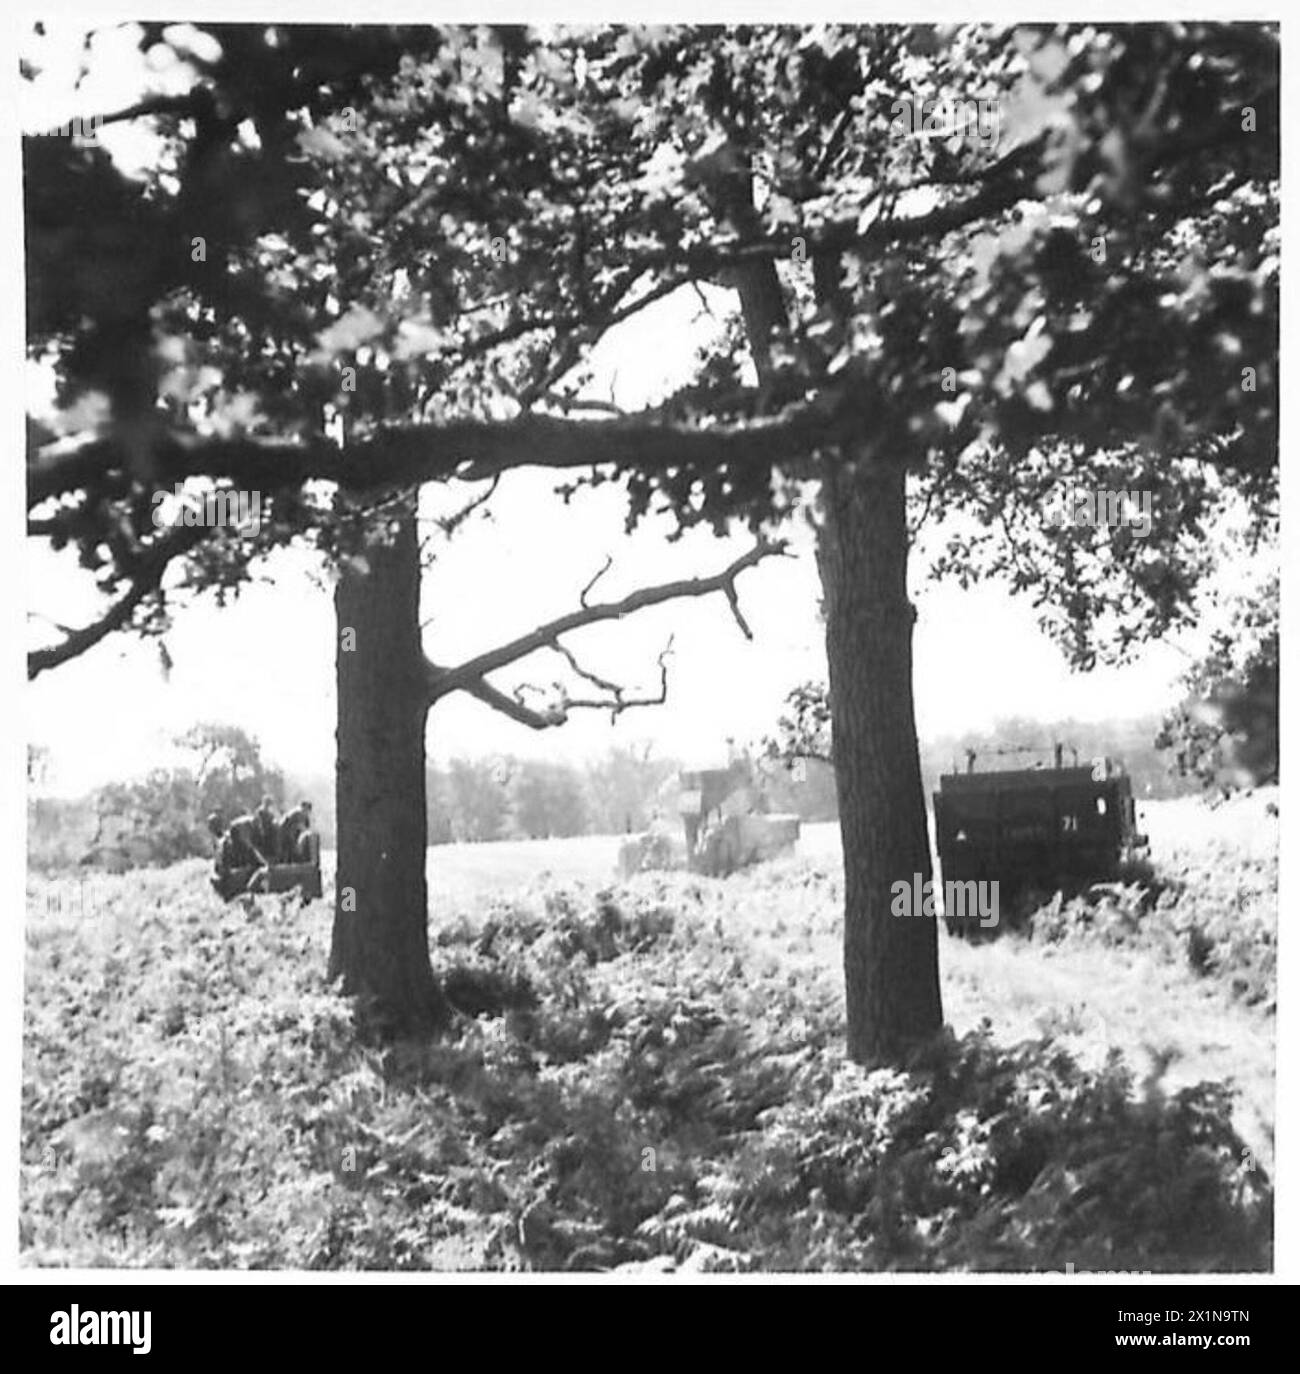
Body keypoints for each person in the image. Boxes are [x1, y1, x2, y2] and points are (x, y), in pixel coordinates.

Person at [208, 810, 270, 898]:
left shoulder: (224, 841)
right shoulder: (223, 841)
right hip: (238, 869)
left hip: (240, 868)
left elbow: (222, 865)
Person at [252, 795, 280, 862]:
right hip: (262, 832)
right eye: (268, 803)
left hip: (269, 831)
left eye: (270, 804)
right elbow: (257, 822)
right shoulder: (260, 811)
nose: (269, 805)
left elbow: (274, 820)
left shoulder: (270, 812)